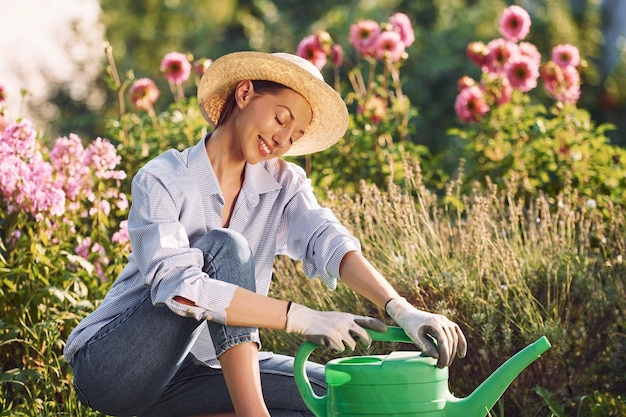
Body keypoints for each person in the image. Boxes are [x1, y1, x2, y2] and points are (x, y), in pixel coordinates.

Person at [64, 51, 467, 417]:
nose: (281, 140)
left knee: (335, 396)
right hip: (116, 367)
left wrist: (401, 309)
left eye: (294, 137)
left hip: (199, 373)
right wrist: (300, 317)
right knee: (225, 248)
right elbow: (181, 289)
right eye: (280, 118)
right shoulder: (164, 179)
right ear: (244, 93)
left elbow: (328, 239)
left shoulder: (282, 183)